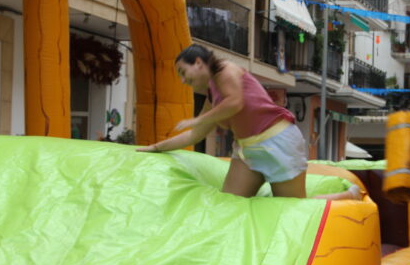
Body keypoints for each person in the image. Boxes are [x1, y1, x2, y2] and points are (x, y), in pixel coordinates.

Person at [137, 44, 360, 201]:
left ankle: (349, 195)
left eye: (183, 73)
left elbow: (235, 102)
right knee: (229, 203)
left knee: (293, 207)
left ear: (198, 63)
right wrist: (155, 147)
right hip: (248, 151)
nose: (184, 81)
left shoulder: (225, 70)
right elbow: (194, 136)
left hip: (278, 143)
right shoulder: (211, 97)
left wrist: (199, 119)